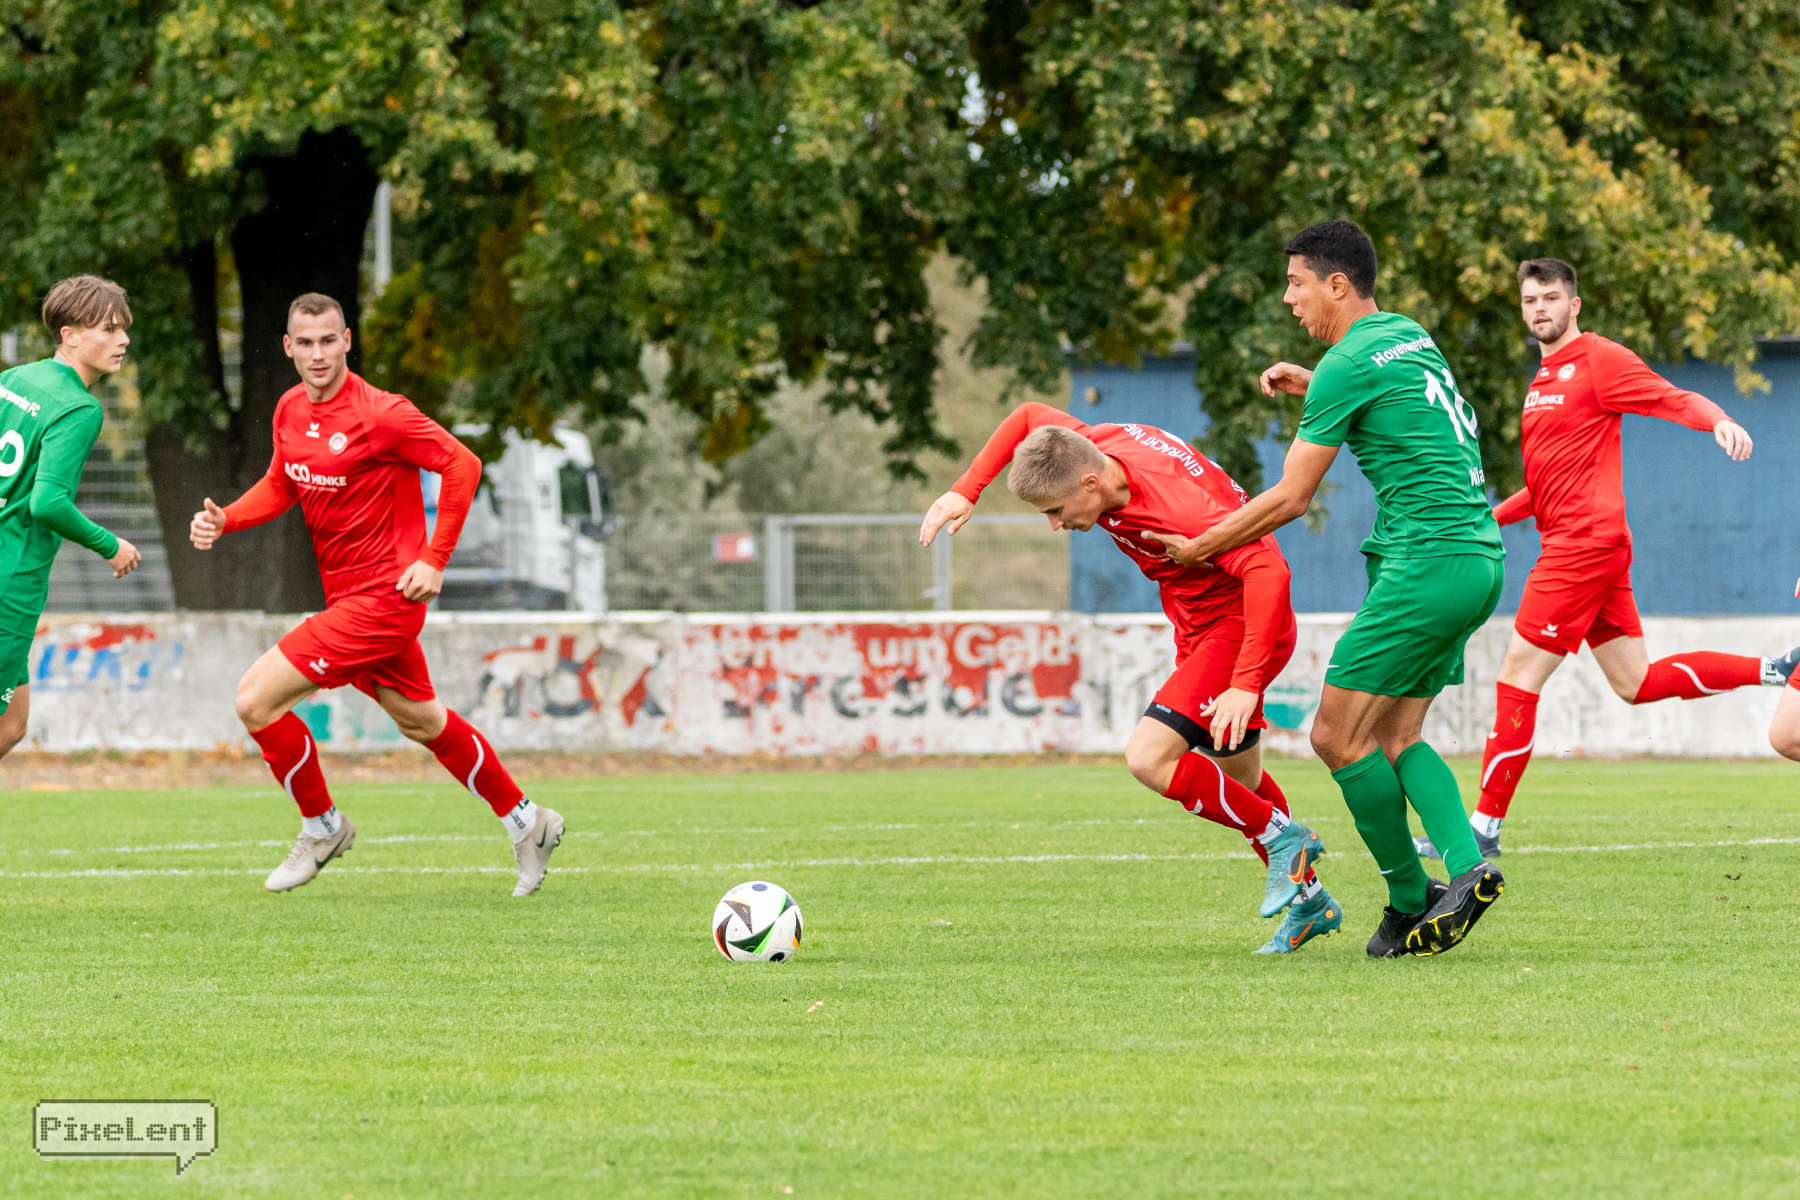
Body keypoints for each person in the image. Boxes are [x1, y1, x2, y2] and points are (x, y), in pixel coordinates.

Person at [1149, 219, 1504, 958]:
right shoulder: (1406, 336)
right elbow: (1404, 406)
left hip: (1422, 564)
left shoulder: (1348, 363)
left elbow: (1289, 498)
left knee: (1334, 737)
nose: (1288, 298)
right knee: (1395, 734)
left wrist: (1199, 548)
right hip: (1476, 560)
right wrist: (1316, 384)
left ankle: (1415, 895)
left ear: (1337, 285)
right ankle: (1452, 878)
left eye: (1296, 283)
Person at [921, 404, 1342, 954]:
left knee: (1148, 757)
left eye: (1055, 510)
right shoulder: (1093, 444)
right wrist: (966, 490)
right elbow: (1028, 416)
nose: (1054, 525)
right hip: (1200, 625)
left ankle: (1285, 837)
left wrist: (1244, 683)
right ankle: (1310, 901)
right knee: (1240, 781)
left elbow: (1270, 571)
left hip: (1241, 626)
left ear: (1090, 483)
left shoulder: (1178, 508)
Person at [1414, 257, 1796, 862]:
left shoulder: (1598, 360)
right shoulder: (1540, 382)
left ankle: (1482, 829)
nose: (1540, 308)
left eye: (1550, 297)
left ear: (1573, 305)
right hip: (1592, 546)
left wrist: (1719, 420)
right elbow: (1546, 484)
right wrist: (1492, 517)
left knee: (1517, 675)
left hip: (1582, 547)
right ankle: (1779, 668)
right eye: (1530, 300)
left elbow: (1671, 398)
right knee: (1634, 683)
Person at [188, 293, 563, 896]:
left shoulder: (381, 414)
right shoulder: (289, 409)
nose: (317, 354)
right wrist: (226, 518)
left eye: (328, 341)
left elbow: (463, 465)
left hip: (385, 601)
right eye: (305, 343)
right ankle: (528, 821)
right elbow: (282, 483)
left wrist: (434, 559)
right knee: (421, 720)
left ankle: (323, 827)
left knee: (255, 700)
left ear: (347, 341)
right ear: (288, 347)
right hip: (347, 601)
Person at [0, 275, 143, 759]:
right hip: (11, 579)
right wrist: (111, 545)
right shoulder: (80, 408)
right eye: (109, 329)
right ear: (70, 335)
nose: (123, 340)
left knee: (11, 725)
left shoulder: (15, 380)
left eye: (124, 328)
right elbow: (47, 503)